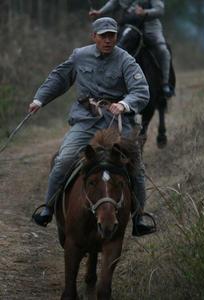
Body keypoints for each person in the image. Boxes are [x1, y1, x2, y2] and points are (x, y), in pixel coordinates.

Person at [30, 17, 156, 236]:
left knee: (135, 164)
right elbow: (59, 78)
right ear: (94, 37)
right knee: (64, 158)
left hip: (117, 123)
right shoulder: (80, 56)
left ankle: (139, 218)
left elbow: (141, 91)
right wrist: (39, 100)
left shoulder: (126, 60)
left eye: (112, 35)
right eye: (103, 36)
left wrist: (125, 104)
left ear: (116, 36)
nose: (108, 40)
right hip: (85, 120)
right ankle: (48, 208)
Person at [89, 0, 173, 98]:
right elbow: (114, 2)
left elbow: (160, 10)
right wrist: (100, 12)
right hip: (128, 26)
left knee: (162, 50)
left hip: (150, 29)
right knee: (108, 46)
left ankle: (165, 83)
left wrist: (145, 12)